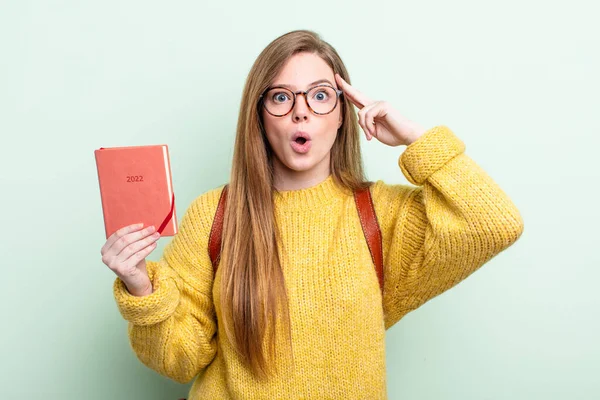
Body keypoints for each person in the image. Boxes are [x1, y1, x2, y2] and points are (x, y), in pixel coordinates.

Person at [100, 29, 524, 399]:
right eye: (281, 97)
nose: (301, 110)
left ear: (343, 114)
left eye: (320, 95)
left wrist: (415, 139)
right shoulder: (216, 215)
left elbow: (494, 222)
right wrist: (140, 287)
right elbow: (179, 360)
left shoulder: (380, 214)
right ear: (260, 117)